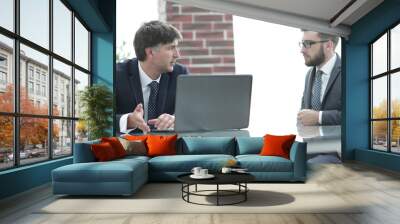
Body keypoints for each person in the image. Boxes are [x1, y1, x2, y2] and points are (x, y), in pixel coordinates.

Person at [116, 21, 189, 134]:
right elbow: (100, 118)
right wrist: (128, 120)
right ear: (150, 52)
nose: (177, 55)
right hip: (126, 148)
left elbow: (190, 114)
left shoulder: (180, 74)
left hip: (167, 147)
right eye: (171, 48)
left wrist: (175, 120)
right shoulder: (117, 75)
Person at [298, 30, 341, 126]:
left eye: (308, 44)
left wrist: (319, 117)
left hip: (337, 141)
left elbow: (355, 115)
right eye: (302, 44)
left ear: (328, 45)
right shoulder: (309, 75)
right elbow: (303, 114)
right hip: (310, 140)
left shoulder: (348, 71)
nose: (302, 50)